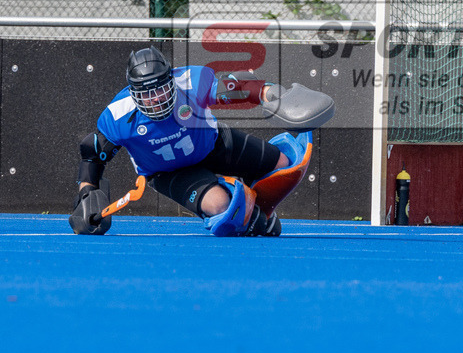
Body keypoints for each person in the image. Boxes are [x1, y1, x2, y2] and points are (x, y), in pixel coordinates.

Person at [69, 46, 329, 237]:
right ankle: (238, 205)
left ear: (171, 80)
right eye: (146, 94)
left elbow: (232, 87)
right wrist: (86, 194)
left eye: (160, 88)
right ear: (132, 93)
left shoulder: (190, 82)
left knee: (286, 165)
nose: (156, 99)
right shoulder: (118, 115)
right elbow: (92, 153)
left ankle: (249, 202)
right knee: (223, 208)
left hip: (214, 144)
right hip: (168, 173)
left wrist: (272, 93)